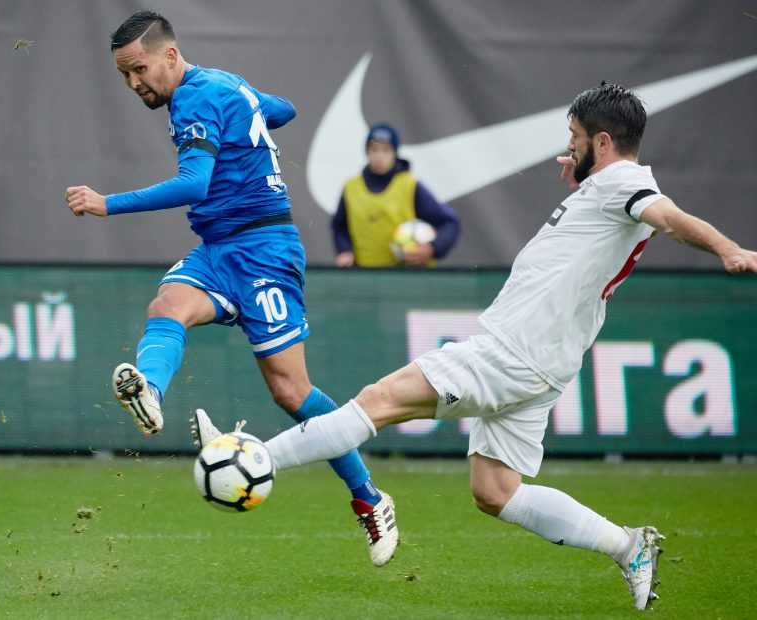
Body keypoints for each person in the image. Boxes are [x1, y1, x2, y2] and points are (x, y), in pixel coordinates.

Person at [202, 83, 757, 607]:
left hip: (514, 352)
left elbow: (670, 218)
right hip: (544, 362)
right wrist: (582, 179)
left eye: (576, 137)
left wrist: (730, 250)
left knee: (377, 401)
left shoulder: (624, 184)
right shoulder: (605, 186)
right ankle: (626, 546)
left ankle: (252, 460)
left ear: (603, 142)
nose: (569, 146)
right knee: (495, 491)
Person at [64, 10, 398, 566]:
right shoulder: (224, 84)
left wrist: (107, 203)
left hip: (264, 249)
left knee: (292, 393)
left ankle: (369, 498)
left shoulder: (197, 98)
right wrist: (249, 114)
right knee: (167, 304)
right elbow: (285, 110)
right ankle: (149, 388)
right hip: (221, 247)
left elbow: (194, 183)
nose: (134, 84)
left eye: (139, 69)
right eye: (124, 75)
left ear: (169, 56)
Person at [332, 123, 461, 267]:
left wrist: (433, 248)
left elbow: (449, 222)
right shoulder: (351, 187)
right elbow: (339, 225)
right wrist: (344, 250)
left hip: (406, 276)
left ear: (395, 153)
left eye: (386, 150)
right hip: (366, 276)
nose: (379, 156)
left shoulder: (409, 185)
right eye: (374, 149)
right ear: (367, 152)